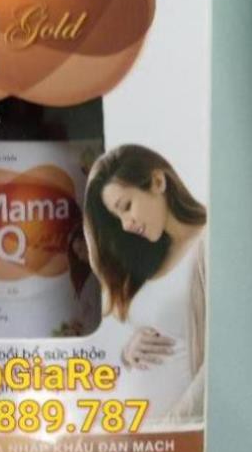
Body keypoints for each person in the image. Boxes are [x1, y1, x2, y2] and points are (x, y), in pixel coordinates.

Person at [83, 144, 207, 423]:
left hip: (177, 432)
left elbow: (222, 357)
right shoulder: (151, 256)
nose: (126, 224)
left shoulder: (208, 243)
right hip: (133, 429)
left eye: (126, 207)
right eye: (118, 218)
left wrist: (170, 427)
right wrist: (128, 351)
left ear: (157, 181)